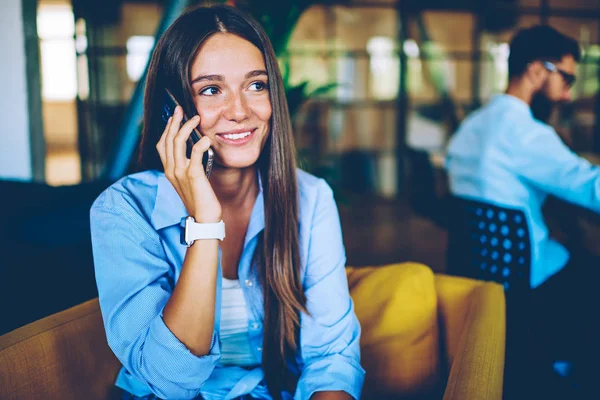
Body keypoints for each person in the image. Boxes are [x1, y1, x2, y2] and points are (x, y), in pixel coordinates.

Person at [90, 5, 364, 400]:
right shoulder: (122, 210)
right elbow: (169, 379)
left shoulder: (311, 198)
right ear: (173, 109)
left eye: (256, 85)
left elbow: (331, 360)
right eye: (211, 90)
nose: (240, 111)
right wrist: (204, 223)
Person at [446, 25, 600, 398]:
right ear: (535, 71)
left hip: (479, 270)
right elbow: (592, 189)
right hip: (528, 278)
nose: (568, 93)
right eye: (564, 78)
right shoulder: (526, 133)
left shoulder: (471, 125)